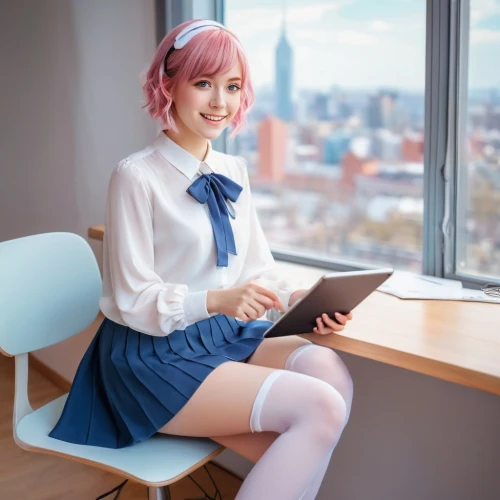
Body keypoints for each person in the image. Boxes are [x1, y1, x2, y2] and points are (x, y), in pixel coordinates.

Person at [50, 19, 354, 499]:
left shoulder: (232, 169)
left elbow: (255, 264)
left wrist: (295, 298)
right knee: (319, 411)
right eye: (203, 84)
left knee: (329, 374)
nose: (220, 102)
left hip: (220, 338)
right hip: (151, 354)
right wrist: (213, 300)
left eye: (231, 86)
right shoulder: (135, 176)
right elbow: (131, 298)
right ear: (167, 86)